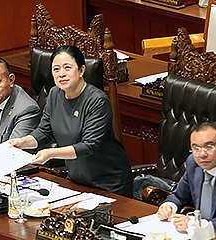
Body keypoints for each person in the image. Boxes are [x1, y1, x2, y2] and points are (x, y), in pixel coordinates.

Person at [8, 46, 132, 197]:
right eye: (56, 69)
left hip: (108, 183)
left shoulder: (97, 101)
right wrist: (23, 142)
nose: (61, 74)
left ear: (81, 70)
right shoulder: (54, 94)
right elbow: (44, 132)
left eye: (67, 68)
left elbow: (88, 146)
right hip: (76, 180)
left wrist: (51, 153)